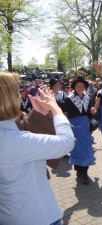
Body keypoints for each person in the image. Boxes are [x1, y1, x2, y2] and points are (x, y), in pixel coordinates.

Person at [0, 71, 75, 225]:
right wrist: (56, 110)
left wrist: (38, 114)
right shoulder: (11, 140)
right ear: (8, 98)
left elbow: (20, 129)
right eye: (17, 92)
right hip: (38, 216)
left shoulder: (7, 133)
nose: (20, 95)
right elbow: (66, 142)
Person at [62, 76, 96, 184]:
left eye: (82, 86)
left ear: (85, 86)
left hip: (85, 127)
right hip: (75, 127)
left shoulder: (87, 97)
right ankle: (79, 170)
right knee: (77, 149)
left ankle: (84, 172)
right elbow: (62, 109)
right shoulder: (69, 98)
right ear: (74, 87)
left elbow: (88, 113)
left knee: (86, 149)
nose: (80, 88)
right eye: (77, 86)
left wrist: (92, 111)